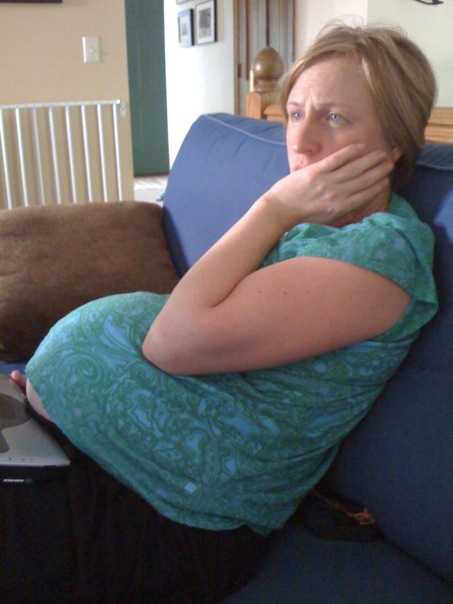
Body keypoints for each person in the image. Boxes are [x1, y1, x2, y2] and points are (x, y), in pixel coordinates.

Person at [7, 24, 439, 603]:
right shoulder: (316, 228)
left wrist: (272, 207)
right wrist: (71, 396)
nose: (302, 141)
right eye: (294, 113)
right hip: (113, 464)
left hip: (167, 518)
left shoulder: (379, 255)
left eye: (335, 118)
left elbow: (173, 342)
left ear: (394, 146)